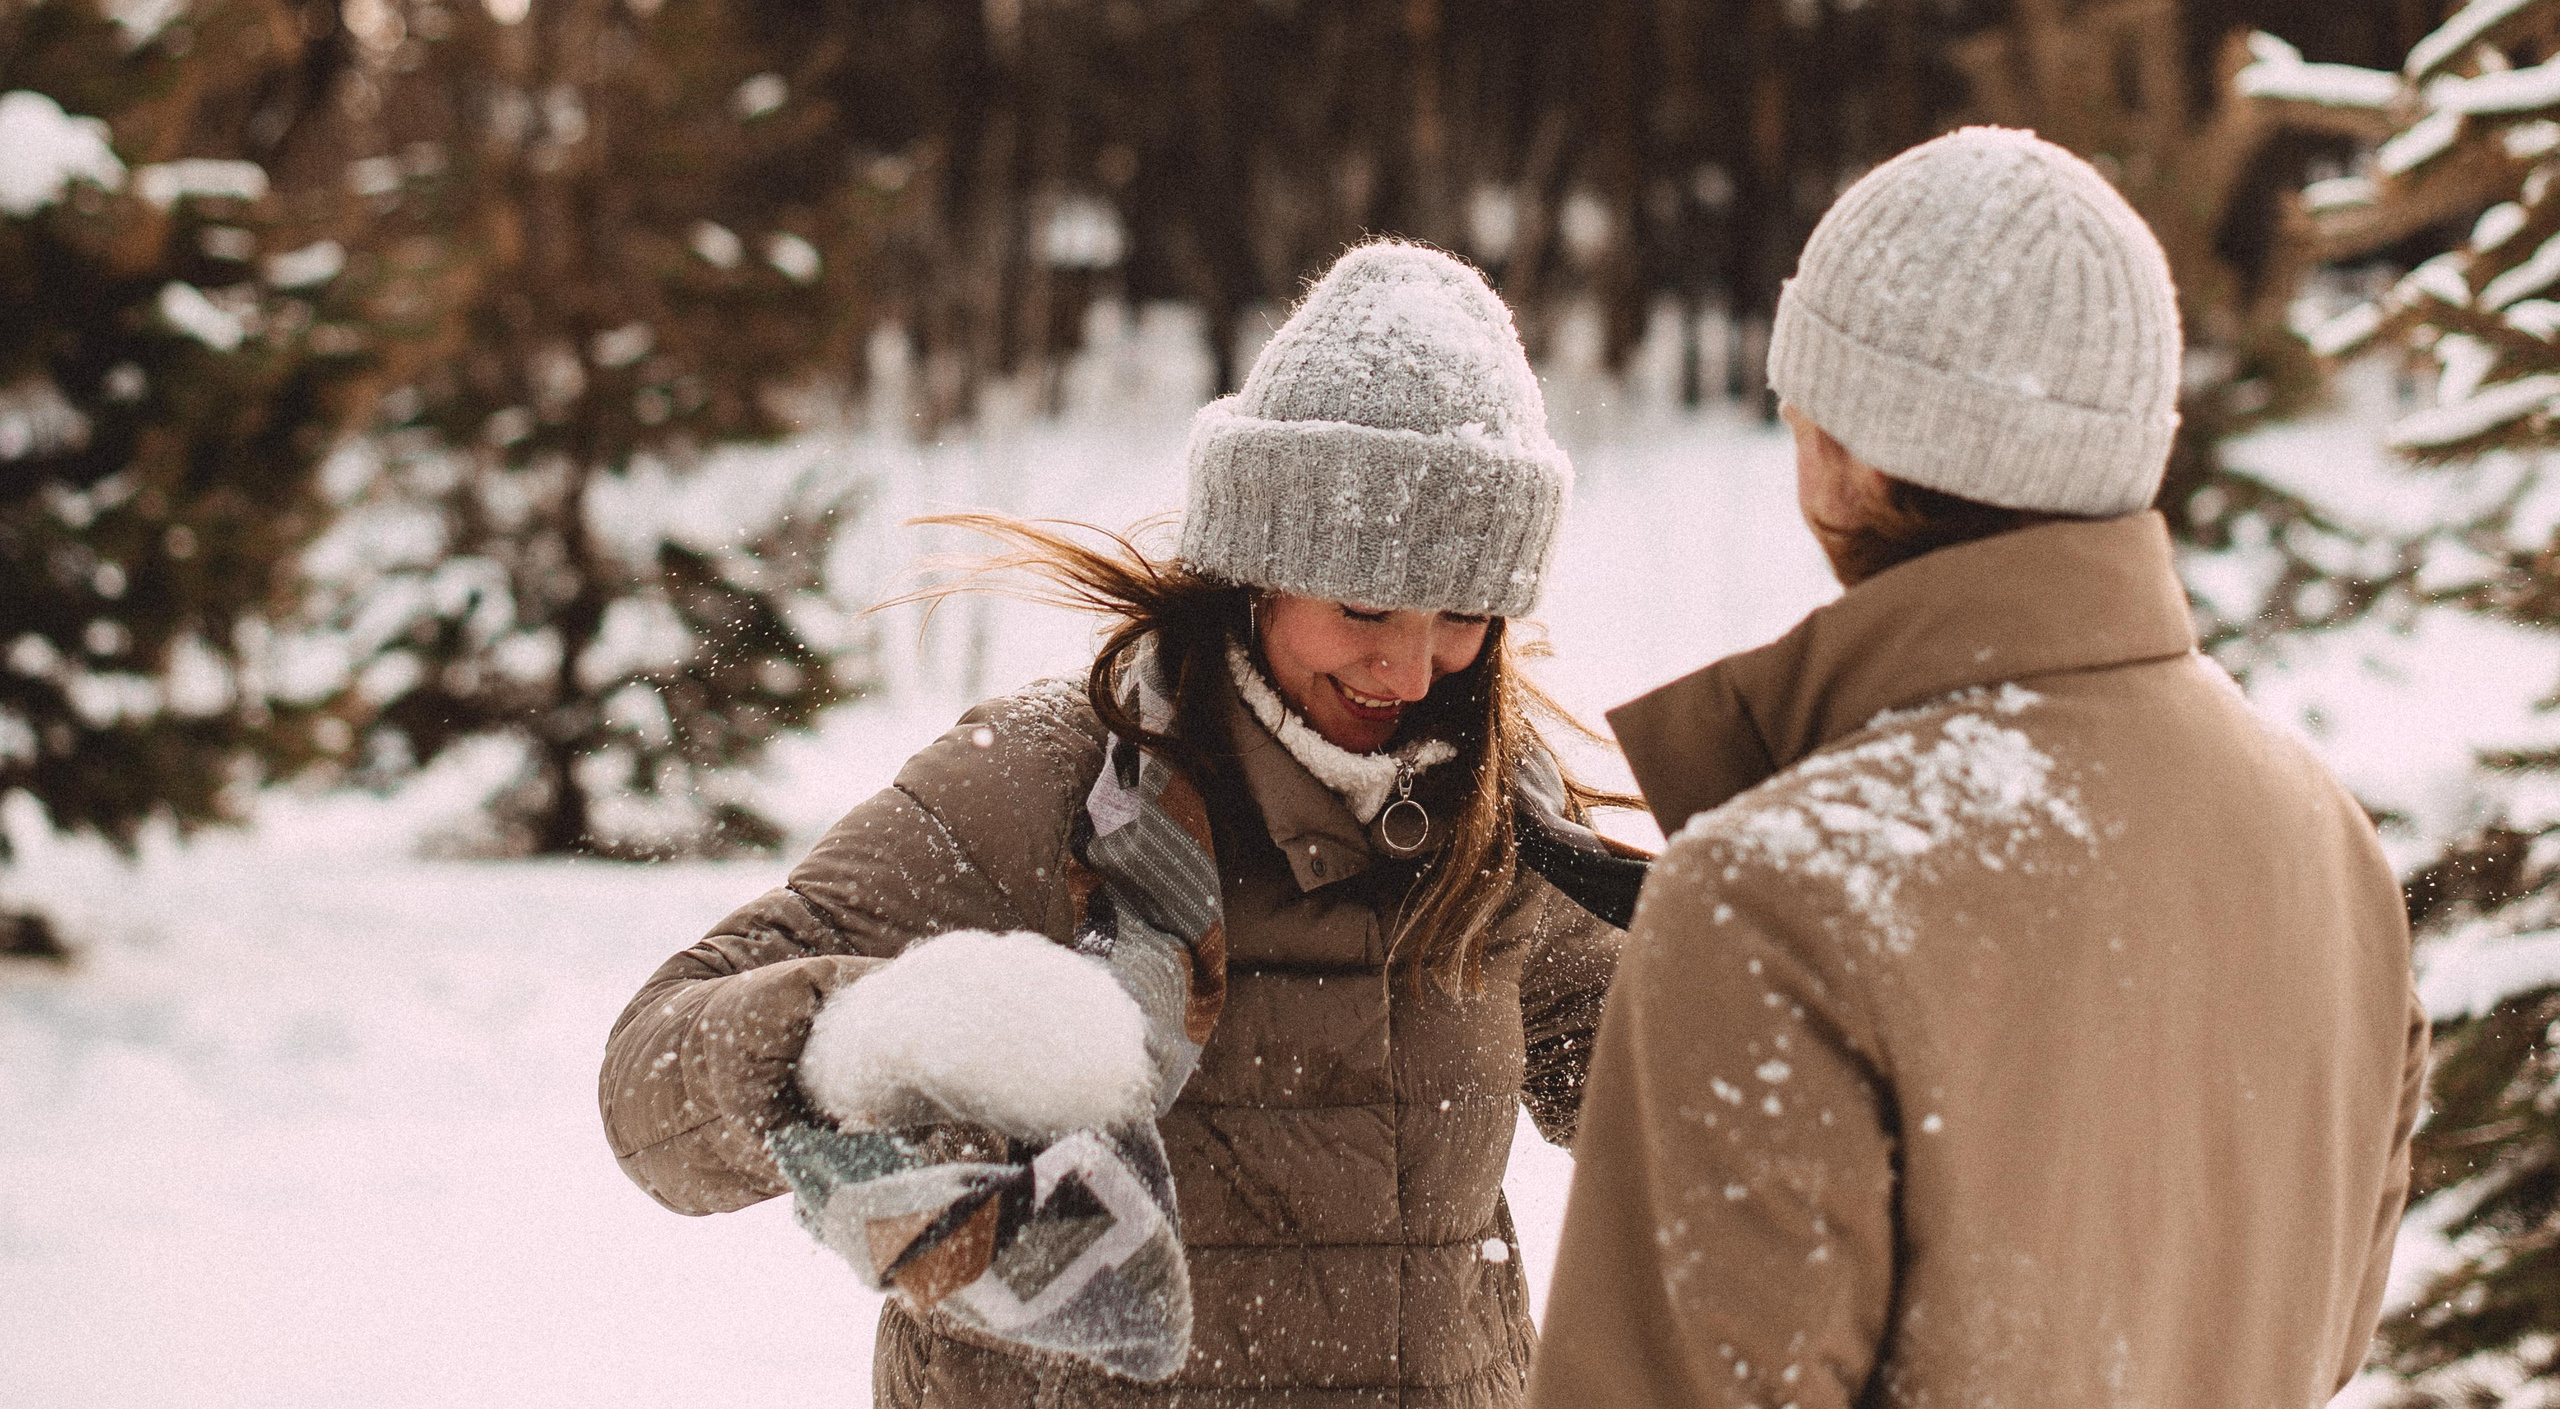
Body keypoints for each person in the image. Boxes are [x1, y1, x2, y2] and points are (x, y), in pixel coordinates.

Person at [600, 239, 1642, 1407]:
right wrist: (871, 1035)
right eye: (1362, 606)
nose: (1408, 667)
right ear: (1256, 569)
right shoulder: (1044, 787)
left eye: (1462, 615)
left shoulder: (1497, 825)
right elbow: (650, 1082)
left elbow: (1666, 1095)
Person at [1527, 128, 2426, 1409]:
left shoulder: (1776, 903)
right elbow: (2306, 1340)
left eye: (1802, 404)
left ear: (1847, 458)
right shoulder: (2325, 842)